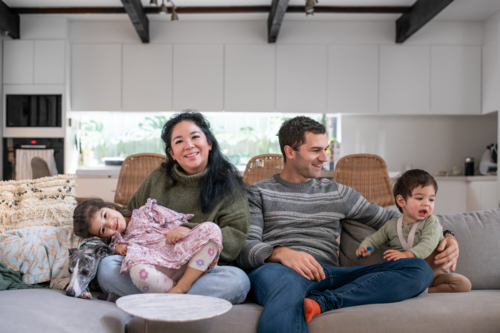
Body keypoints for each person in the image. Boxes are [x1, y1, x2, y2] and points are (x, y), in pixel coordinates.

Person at [237, 116, 460, 333]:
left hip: (329, 276)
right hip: (279, 272)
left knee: (418, 269)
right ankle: (305, 296)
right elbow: (244, 247)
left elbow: (396, 222)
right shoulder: (258, 193)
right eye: (315, 150)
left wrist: (446, 235)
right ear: (289, 152)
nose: (324, 158)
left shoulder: (338, 193)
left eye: (325, 149)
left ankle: (323, 302)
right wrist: (280, 253)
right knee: (287, 287)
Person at [95, 111, 251, 304]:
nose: (189, 145)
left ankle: (161, 299)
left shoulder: (230, 184)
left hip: (200, 269)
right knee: (107, 268)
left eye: (195, 137)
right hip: (154, 264)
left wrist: (187, 231)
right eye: (179, 141)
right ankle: (177, 300)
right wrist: (122, 246)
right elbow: (133, 219)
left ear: (209, 144)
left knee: (238, 282)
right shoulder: (158, 177)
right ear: (172, 153)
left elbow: (235, 237)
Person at [73, 198, 223, 294]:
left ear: (110, 207)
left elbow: (178, 222)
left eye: (105, 216)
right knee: (136, 270)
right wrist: (117, 250)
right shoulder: (118, 242)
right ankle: (176, 291)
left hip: (184, 255)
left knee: (211, 228)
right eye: (103, 229)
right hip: (160, 270)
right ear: (103, 236)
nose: (111, 224)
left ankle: (183, 286)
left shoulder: (147, 211)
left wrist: (181, 229)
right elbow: (115, 257)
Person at [356, 169, 471, 293]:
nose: (426, 204)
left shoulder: (431, 222)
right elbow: (375, 239)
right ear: (401, 201)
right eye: (420, 198)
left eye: (431, 199)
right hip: (409, 277)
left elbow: (428, 244)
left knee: (463, 284)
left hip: (437, 277)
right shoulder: (391, 226)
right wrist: (366, 247)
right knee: (384, 281)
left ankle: (426, 291)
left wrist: (406, 255)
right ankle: (414, 289)